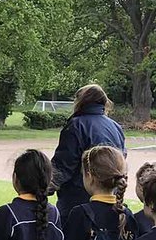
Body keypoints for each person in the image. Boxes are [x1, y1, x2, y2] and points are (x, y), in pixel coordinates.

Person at [50, 84, 126, 221]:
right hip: (109, 198)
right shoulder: (115, 127)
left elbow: (63, 165)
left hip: (77, 200)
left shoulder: (76, 125)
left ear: (80, 102)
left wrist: (45, 187)